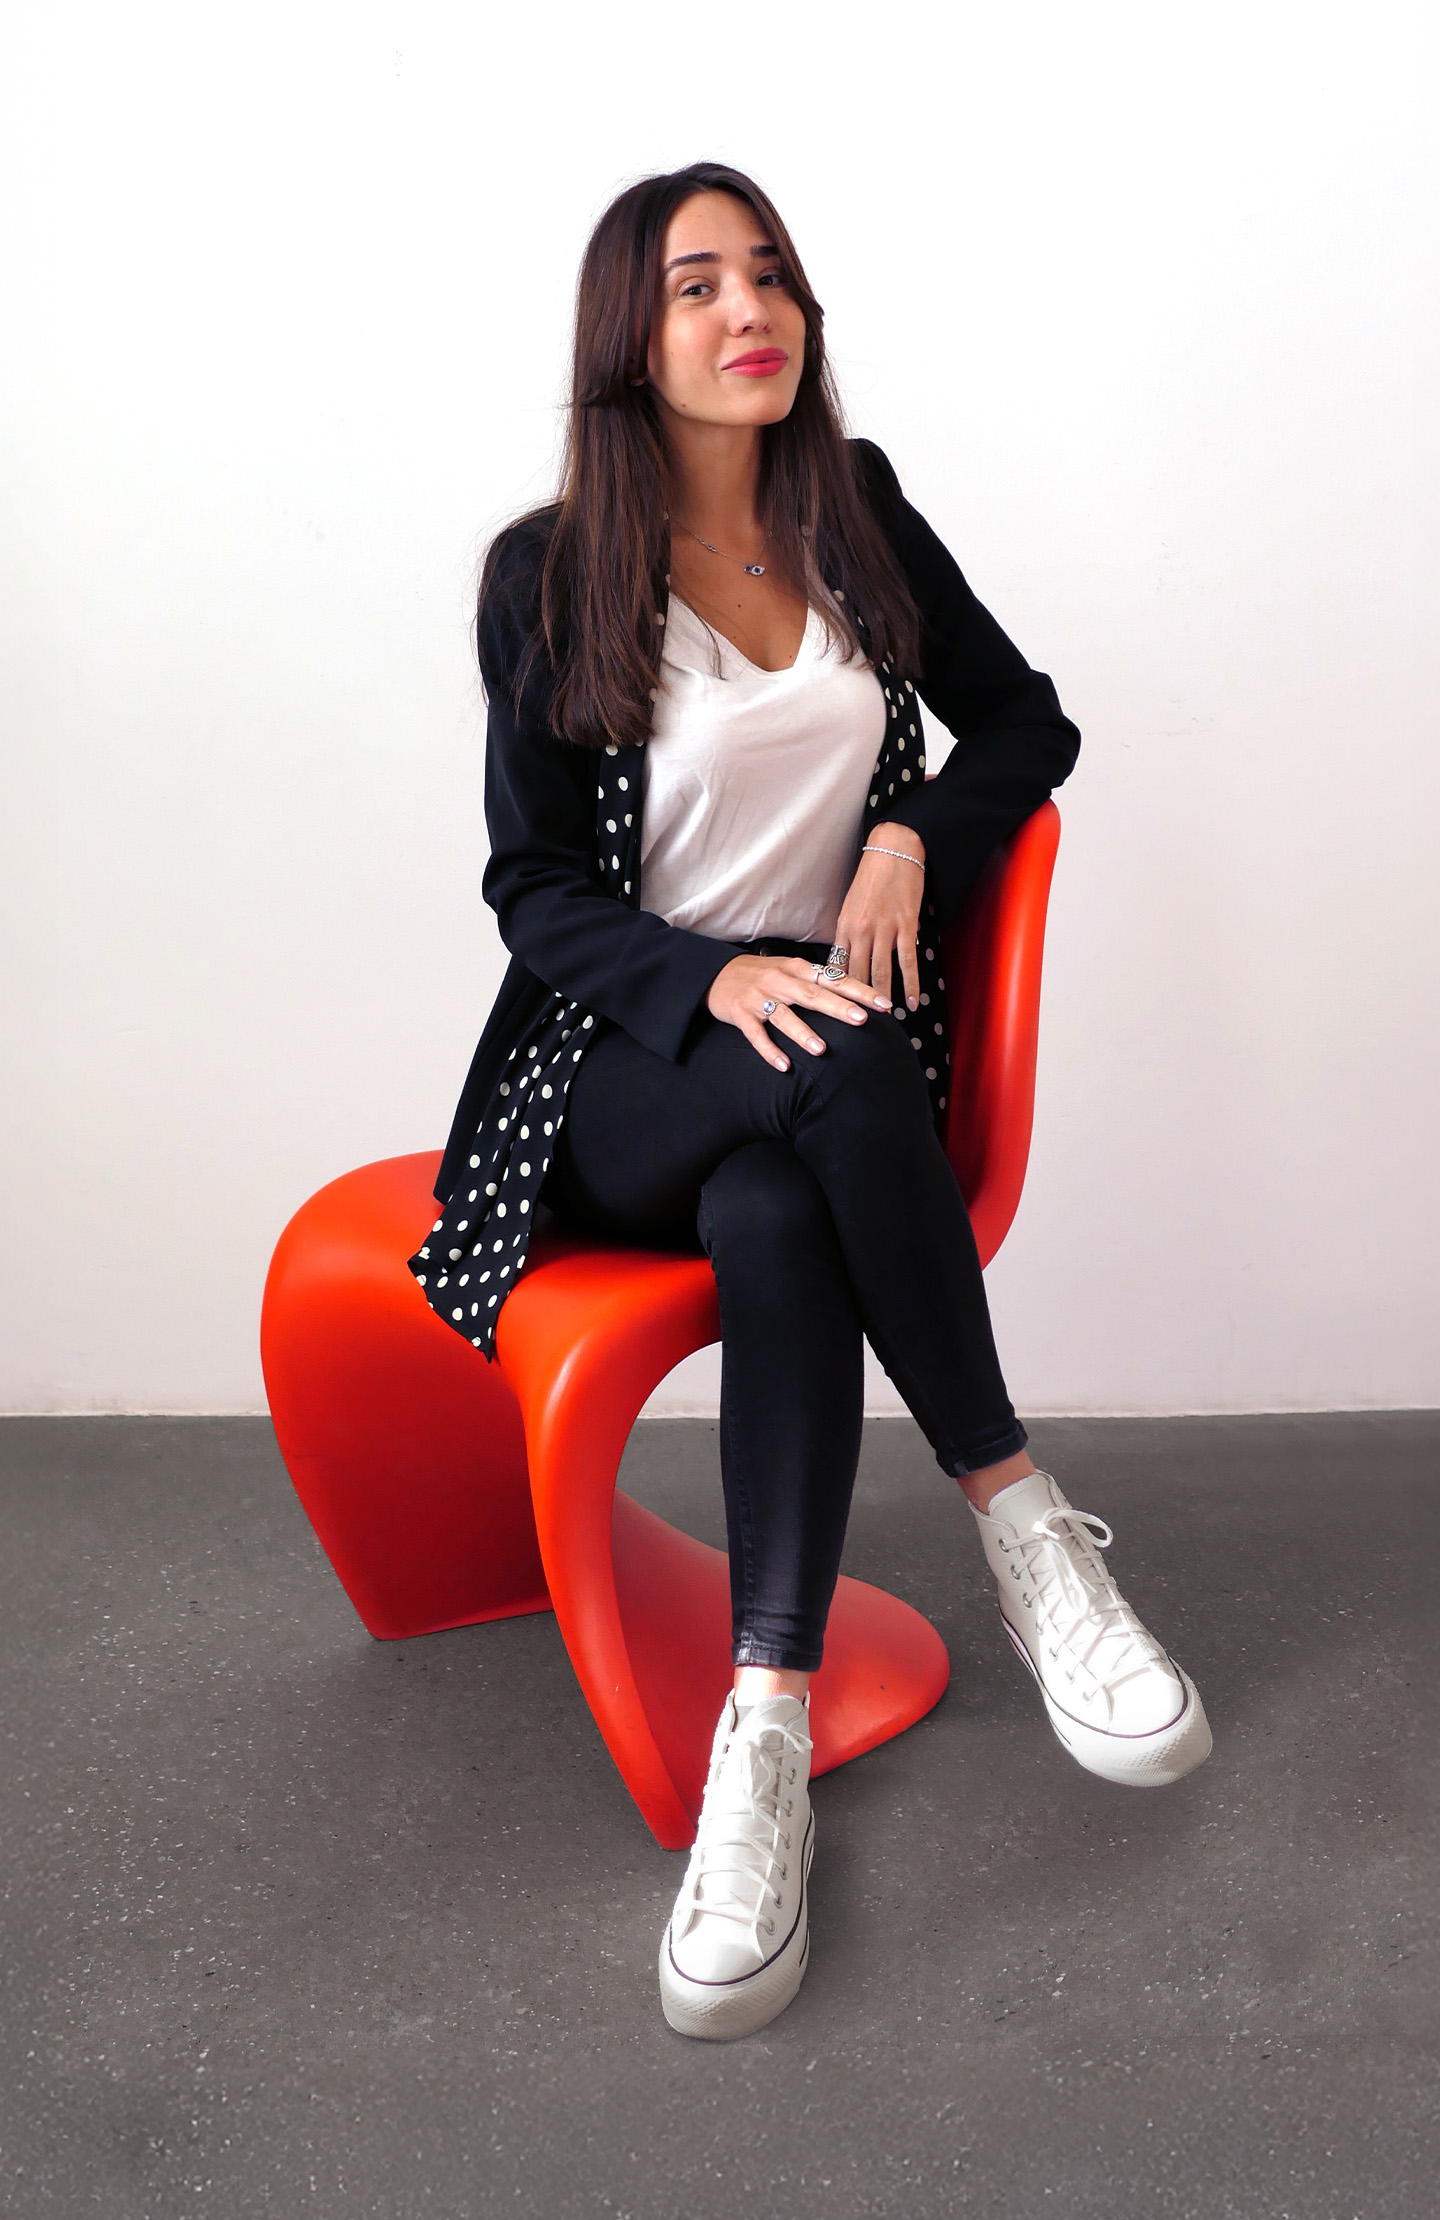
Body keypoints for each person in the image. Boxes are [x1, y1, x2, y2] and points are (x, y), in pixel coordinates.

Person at [410, 162, 1211, 2043]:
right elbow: (534, 888)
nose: (745, 309)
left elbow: (1028, 720)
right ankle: (1019, 1515)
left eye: (767, 273)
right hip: (619, 1069)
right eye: (696, 283)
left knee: (782, 1211)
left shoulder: (856, 511)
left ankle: (759, 1735)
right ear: (631, 338)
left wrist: (916, 832)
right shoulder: (548, 571)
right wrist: (705, 981)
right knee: (833, 1055)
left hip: (817, 1083)